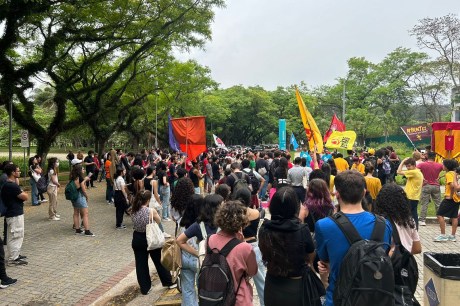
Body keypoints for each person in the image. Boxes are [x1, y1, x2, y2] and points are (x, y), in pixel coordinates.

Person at [315, 171, 392, 306]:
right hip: (376, 297)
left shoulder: (324, 225)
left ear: (337, 194)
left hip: (339, 298)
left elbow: (325, 263)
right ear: (364, 193)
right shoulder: (384, 224)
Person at [258, 187, 316, 306]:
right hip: (296, 284)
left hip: (272, 282)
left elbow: (264, 252)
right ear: (295, 207)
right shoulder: (302, 230)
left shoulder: (265, 228)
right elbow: (311, 256)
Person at [207, 200, 258, 305]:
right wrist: (242, 241)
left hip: (215, 296)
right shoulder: (244, 247)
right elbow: (253, 272)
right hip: (237, 298)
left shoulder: (210, 239)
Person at [131, 190, 176, 295]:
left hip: (137, 238)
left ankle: (145, 288)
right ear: (147, 200)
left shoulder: (132, 210)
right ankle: (168, 282)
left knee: (140, 264)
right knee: (159, 261)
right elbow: (159, 221)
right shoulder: (151, 211)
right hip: (151, 237)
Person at [233, 188, 266, 306]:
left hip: (237, 248)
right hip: (253, 247)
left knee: (236, 283)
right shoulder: (255, 213)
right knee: (261, 283)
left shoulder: (233, 214)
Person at [375, 184, 422, 254]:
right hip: (405, 262)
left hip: (389, 261)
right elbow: (417, 248)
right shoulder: (409, 220)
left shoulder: (380, 222)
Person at [176, 194, 204, 306]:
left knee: (187, 290)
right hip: (198, 258)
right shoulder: (201, 223)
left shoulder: (181, 221)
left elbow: (178, 239)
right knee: (202, 288)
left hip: (184, 257)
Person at [1, 164, 29, 266]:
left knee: (15, 235)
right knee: (16, 235)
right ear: (13, 173)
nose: (19, 172)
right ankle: (13, 258)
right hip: (14, 214)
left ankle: (15, 254)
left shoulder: (9, 184)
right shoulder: (11, 186)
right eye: (18, 171)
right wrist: (23, 192)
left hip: (13, 213)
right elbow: (25, 197)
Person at [433, 159, 460, 242]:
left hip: (449, 198)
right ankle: (452, 236)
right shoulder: (453, 173)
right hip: (457, 198)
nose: (442, 166)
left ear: (447, 166)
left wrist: (451, 196)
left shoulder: (449, 174)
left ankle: (443, 235)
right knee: (454, 216)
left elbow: (452, 186)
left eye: (443, 165)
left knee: (439, 214)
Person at [417, 151, 443, 226]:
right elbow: (448, 170)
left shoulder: (422, 164)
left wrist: (423, 178)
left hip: (426, 185)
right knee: (438, 203)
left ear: (427, 156)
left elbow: (416, 171)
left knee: (424, 203)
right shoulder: (439, 165)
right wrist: (440, 177)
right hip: (436, 185)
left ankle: (422, 220)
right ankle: (440, 219)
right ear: (435, 157)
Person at [397, 157, 423, 230]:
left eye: (409, 166)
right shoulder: (417, 171)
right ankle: (415, 229)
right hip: (414, 197)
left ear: (414, 165)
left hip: (410, 197)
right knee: (414, 215)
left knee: (405, 214)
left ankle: (406, 230)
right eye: (407, 166)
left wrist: (402, 162)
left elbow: (398, 171)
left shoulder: (414, 172)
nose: (408, 168)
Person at [69, 162, 95, 237]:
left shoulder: (73, 177)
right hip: (80, 197)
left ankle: (77, 229)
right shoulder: (80, 178)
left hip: (74, 197)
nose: (84, 170)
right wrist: (86, 196)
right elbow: (83, 189)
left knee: (76, 213)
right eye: (83, 169)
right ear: (79, 170)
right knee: (85, 214)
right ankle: (87, 230)